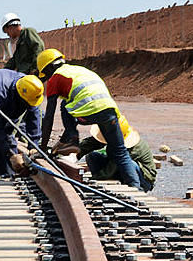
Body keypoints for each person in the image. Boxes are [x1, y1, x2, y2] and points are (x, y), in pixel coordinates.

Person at [36, 47, 143, 188]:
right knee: (120, 152)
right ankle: (136, 188)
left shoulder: (55, 78)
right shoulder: (81, 70)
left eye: (46, 74)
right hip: (109, 110)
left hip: (88, 109)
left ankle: (71, 140)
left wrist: (42, 148)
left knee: (65, 105)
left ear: (50, 67)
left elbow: (49, 116)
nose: (47, 78)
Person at [76, 116, 156, 191]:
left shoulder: (132, 148)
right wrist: (72, 155)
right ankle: (104, 183)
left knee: (130, 163)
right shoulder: (112, 136)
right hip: (122, 171)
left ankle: (135, 189)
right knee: (92, 156)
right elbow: (90, 144)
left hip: (143, 180)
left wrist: (92, 181)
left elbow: (111, 168)